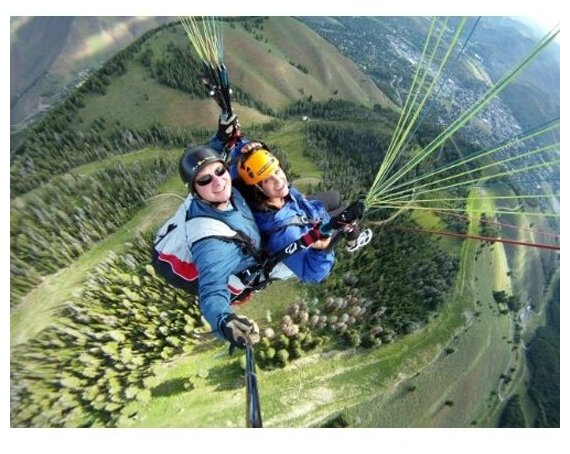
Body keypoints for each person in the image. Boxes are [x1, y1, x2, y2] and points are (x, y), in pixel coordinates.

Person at [234, 141, 373, 284]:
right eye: (267, 180)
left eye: (276, 171)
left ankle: (346, 227)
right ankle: (352, 241)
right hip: (307, 232)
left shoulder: (259, 192)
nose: (279, 181)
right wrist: (320, 249)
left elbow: (239, 166)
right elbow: (312, 273)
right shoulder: (283, 235)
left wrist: (246, 147)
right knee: (345, 216)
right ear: (257, 189)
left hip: (301, 210)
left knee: (335, 197)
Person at [178, 145, 267, 350]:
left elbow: (219, 154)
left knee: (332, 199)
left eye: (220, 170)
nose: (218, 182)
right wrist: (224, 321)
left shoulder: (225, 192)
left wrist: (245, 147)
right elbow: (211, 291)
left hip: (254, 242)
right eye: (204, 180)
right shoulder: (210, 242)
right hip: (259, 267)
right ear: (195, 191)